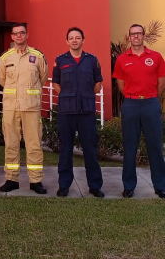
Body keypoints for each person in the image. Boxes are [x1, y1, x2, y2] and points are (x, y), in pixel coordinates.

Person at [113, 23, 165, 198]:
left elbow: (161, 83)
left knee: (155, 147)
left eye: (139, 33)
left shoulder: (156, 57)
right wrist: (134, 96)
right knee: (129, 147)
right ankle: (129, 186)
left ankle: (160, 186)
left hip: (151, 104)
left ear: (144, 36)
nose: (136, 36)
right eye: (133, 34)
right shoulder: (122, 59)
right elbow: (121, 86)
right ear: (129, 37)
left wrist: (149, 96)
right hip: (131, 105)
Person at [52, 27, 104, 198]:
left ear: (83, 40)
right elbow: (56, 83)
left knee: (90, 149)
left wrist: (86, 95)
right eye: (71, 38)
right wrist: (67, 96)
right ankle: (64, 185)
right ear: (67, 41)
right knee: (65, 149)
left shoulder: (92, 60)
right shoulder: (60, 60)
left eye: (78, 37)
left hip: (86, 111)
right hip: (66, 112)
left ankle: (95, 186)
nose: (74, 40)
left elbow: (98, 83)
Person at [0, 23, 48, 193]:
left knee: (34, 144)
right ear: (12, 36)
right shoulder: (5, 58)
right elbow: (2, 80)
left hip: (31, 107)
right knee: (11, 143)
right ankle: (12, 179)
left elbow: (43, 78)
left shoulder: (38, 56)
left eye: (22, 33)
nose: (19, 36)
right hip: (11, 107)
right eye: (15, 33)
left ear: (27, 35)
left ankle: (35, 181)